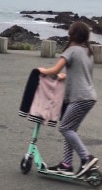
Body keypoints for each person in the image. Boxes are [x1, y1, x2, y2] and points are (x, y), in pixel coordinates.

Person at [38, 21, 98, 177]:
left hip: (79, 97)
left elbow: (55, 69)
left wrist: (42, 70)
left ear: (72, 35)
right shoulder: (88, 52)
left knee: (65, 128)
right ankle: (66, 164)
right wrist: (63, 76)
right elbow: (79, 73)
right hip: (89, 97)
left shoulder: (71, 50)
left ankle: (86, 158)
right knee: (70, 129)